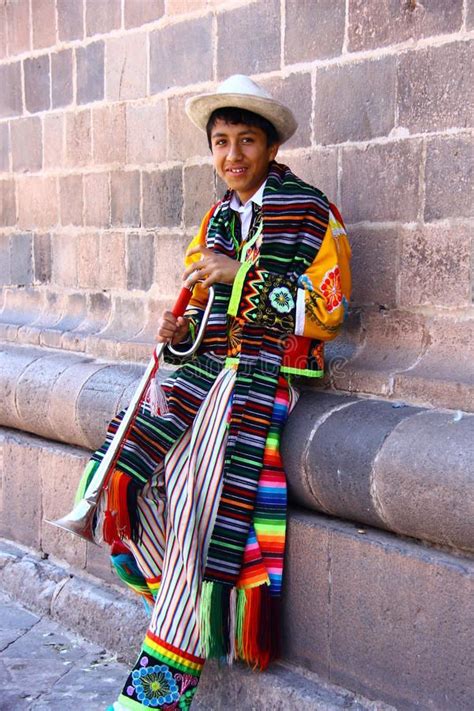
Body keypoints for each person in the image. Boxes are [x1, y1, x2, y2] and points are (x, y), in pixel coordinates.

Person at [74, 74, 350, 710]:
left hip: (260, 380)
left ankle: (156, 694)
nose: (232, 156)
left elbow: (329, 309)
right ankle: (182, 592)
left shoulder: (311, 212)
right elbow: (203, 321)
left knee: (200, 499)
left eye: (246, 140)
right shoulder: (216, 220)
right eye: (220, 142)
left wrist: (242, 275)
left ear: (272, 147)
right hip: (205, 377)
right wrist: (180, 332)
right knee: (121, 464)